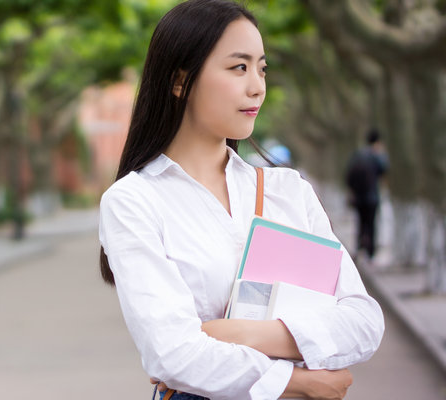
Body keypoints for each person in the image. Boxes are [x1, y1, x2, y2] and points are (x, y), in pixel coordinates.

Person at [98, 1, 384, 398]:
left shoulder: (289, 191)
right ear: (180, 81)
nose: (257, 86)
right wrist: (299, 382)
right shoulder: (134, 201)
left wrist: (237, 332)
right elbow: (173, 354)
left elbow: (363, 322)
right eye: (239, 67)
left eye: (261, 68)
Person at [345, 129, 389, 261]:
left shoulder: (357, 155)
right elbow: (384, 169)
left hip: (358, 197)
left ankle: (360, 247)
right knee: (371, 224)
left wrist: (352, 189)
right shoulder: (377, 156)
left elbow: (349, 175)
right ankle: (371, 252)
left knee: (361, 222)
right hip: (372, 197)